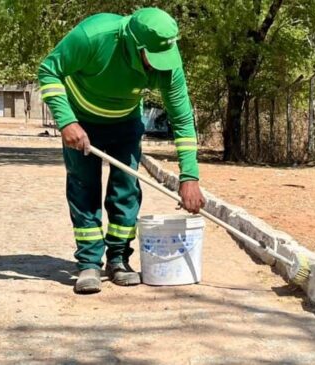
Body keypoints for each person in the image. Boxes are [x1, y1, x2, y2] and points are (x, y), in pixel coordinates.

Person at [38, 8, 205, 294]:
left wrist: (189, 177)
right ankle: (89, 262)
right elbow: (48, 70)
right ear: (133, 44)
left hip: (126, 122)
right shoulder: (93, 36)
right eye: (152, 59)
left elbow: (182, 119)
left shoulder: (167, 64)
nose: (158, 67)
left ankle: (118, 259)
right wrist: (66, 121)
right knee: (84, 188)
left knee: (125, 189)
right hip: (82, 122)